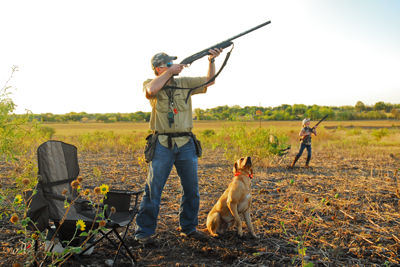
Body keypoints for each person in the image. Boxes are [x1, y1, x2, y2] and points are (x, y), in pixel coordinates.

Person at [135, 48, 223, 245]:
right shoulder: (151, 84)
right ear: (158, 69)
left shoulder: (184, 83)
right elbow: (151, 91)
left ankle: (188, 228)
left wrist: (211, 61)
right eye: (167, 64)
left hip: (186, 143)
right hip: (161, 144)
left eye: (172, 64)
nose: (173, 66)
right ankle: (143, 233)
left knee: (192, 189)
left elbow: (210, 81)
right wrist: (169, 72)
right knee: (153, 190)